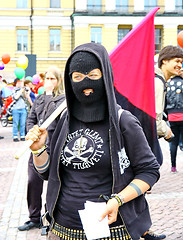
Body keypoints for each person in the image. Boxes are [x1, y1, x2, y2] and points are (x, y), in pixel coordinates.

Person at [25, 43, 160, 240]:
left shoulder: (124, 121)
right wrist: (38, 151)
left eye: (93, 75)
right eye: (77, 77)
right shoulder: (64, 119)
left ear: (105, 75)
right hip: (62, 230)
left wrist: (117, 200)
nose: (85, 83)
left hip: (111, 231)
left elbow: (149, 171)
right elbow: (47, 173)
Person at [18, 66, 65, 231]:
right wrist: (32, 134)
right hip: (37, 149)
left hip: (55, 148)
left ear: (59, 81)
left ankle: (50, 218)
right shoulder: (38, 99)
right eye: (47, 78)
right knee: (33, 181)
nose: (49, 82)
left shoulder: (64, 100)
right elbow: (31, 119)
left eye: (53, 79)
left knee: (55, 184)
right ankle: (34, 217)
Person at [155, 45, 183, 143]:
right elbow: (155, 120)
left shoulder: (159, 80)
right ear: (165, 60)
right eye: (177, 61)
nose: (180, 65)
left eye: (181, 62)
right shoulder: (158, 82)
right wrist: (167, 131)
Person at [166, 68, 183, 172]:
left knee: (173, 142)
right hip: (182, 115)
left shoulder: (168, 84)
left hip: (172, 116)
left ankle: (173, 166)